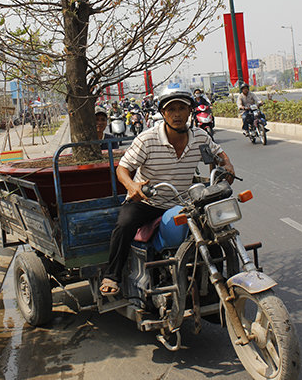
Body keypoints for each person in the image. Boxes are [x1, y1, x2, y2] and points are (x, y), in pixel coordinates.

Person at [99, 88, 235, 296]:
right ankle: (112, 274)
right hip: (148, 201)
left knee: (212, 229)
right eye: (171, 109)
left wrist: (227, 165)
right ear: (163, 113)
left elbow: (219, 155)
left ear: (190, 111)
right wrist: (132, 186)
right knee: (124, 224)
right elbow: (122, 169)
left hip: (183, 201)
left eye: (182, 108)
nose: (177, 114)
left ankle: (215, 278)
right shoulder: (147, 139)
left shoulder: (200, 136)